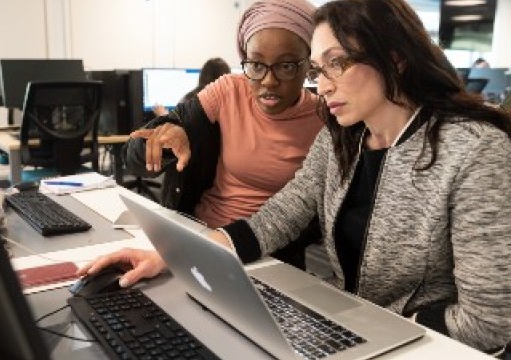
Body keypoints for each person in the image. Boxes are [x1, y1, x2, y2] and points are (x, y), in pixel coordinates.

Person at [82, 0, 511, 355]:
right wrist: (177, 254)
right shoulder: (342, 138)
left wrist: (389, 329)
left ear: (395, 60)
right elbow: (280, 216)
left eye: (335, 65)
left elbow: (490, 322)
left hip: (424, 344)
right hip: (351, 326)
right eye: (317, 71)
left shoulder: (474, 151)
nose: (321, 87)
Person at [122, 0, 325, 268]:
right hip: (199, 233)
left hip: (271, 254)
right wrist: (170, 140)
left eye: (286, 66)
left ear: (309, 64)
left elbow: (302, 215)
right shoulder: (229, 90)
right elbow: (135, 157)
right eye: (255, 65)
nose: (268, 81)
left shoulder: (325, 118)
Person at [152, 57, 231, 117]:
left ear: (202, 77)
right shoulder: (233, 104)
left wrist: (162, 115)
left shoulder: (191, 102)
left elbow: (176, 128)